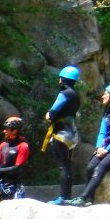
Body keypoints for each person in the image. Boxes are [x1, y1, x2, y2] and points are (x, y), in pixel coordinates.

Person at [66, 83, 110, 207]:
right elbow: (102, 133)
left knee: (99, 168)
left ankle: (83, 198)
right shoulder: (107, 112)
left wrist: (107, 149)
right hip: (105, 148)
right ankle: (89, 199)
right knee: (90, 167)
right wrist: (99, 147)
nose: (103, 96)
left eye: (106, 93)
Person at [44, 65, 82, 204]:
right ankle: (67, 196)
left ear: (62, 79)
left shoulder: (64, 93)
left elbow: (52, 113)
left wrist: (48, 116)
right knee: (67, 164)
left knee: (63, 165)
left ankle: (62, 197)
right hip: (71, 133)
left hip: (61, 133)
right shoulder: (76, 95)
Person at [0, 117, 29, 206]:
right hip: (0, 185)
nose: (4, 131)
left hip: (15, 186)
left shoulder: (23, 146)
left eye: (7, 129)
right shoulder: (2, 145)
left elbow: (17, 168)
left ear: (15, 131)